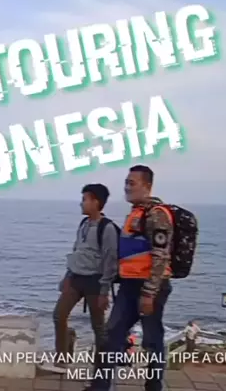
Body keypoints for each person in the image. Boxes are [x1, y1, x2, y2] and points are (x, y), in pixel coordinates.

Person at [85, 165, 174, 391]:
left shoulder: (157, 215)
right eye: (126, 182)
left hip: (150, 287)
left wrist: (149, 293)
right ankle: (100, 387)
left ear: (147, 186)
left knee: (152, 340)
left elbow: (161, 256)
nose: (127, 187)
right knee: (111, 335)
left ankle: (154, 386)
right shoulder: (135, 214)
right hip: (129, 286)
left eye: (132, 183)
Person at [52, 184, 118, 370]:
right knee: (59, 315)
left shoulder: (107, 228)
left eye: (84, 199)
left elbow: (110, 261)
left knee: (98, 326)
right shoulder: (84, 224)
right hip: (75, 278)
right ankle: (62, 358)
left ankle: (101, 365)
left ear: (96, 202)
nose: (81, 203)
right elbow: (77, 251)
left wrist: (104, 291)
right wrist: (67, 276)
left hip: (95, 281)